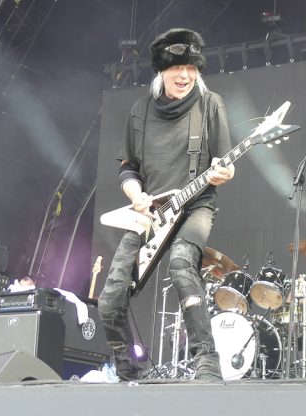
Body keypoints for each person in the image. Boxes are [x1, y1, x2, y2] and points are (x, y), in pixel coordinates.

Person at [98, 28, 235, 381]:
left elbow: (225, 163)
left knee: (181, 266)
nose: (185, 75)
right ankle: (130, 371)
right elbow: (128, 169)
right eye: (177, 68)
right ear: (162, 70)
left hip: (195, 205)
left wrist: (224, 172)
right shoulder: (140, 111)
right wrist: (137, 197)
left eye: (192, 68)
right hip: (150, 215)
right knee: (110, 300)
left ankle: (207, 362)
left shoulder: (210, 104)